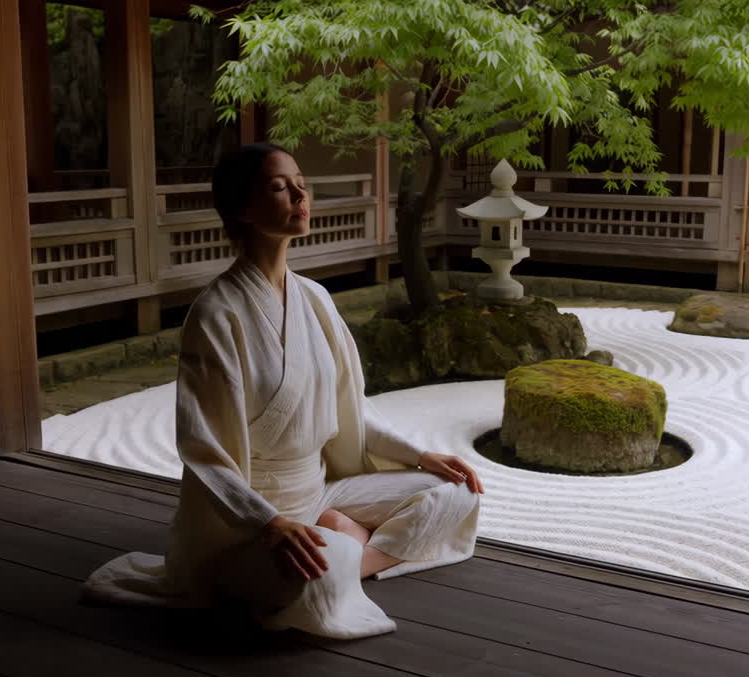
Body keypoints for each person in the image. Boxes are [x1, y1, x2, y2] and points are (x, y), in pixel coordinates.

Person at [83, 143, 483, 639]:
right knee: (308, 583)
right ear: (243, 209)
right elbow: (204, 452)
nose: (300, 194)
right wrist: (269, 524)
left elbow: (347, 412)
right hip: (250, 523)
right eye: (280, 186)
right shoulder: (216, 314)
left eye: (300, 182)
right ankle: (337, 555)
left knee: (455, 491)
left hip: (318, 490)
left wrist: (421, 455)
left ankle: (347, 557)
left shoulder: (314, 299)